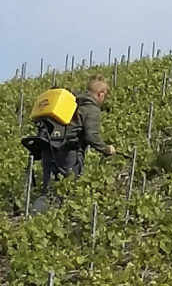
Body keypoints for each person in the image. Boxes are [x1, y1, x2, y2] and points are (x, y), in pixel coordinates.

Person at [32, 75, 116, 213]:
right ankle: (63, 222)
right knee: (70, 191)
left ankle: (33, 217)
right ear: (100, 94)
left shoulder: (72, 101)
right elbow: (91, 136)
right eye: (105, 95)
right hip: (69, 152)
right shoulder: (91, 108)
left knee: (47, 192)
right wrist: (107, 149)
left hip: (48, 146)